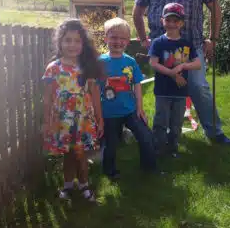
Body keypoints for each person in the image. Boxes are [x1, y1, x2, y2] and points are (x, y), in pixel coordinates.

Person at [133, 0, 230, 145]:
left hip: (192, 47)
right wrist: (144, 39)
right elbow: (137, 11)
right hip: (163, 50)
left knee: (198, 88)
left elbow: (215, 8)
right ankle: (165, 136)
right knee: (164, 93)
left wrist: (212, 39)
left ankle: (215, 133)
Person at [42, 19, 104, 201]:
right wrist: (46, 122)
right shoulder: (53, 69)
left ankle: (85, 186)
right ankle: (68, 186)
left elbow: (94, 95)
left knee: (81, 154)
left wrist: (100, 119)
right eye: (67, 40)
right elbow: (47, 98)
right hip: (62, 121)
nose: (72, 45)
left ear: (83, 44)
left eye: (77, 41)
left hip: (84, 120)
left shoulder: (87, 68)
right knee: (67, 155)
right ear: (59, 43)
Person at [99, 17, 156, 179]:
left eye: (123, 38)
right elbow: (93, 88)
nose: (118, 41)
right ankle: (110, 172)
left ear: (127, 41)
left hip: (130, 110)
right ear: (106, 38)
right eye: (113, 37)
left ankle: (150, 168)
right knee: (111, 144)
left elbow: (137, 84)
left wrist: (140, 108)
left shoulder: (130, 62)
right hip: (108, 113)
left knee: (145, 136)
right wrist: (96, 114)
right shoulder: (100, 63)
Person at [148, 3, 201, 157]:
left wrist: (183, 65)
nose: (171, 24)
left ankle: (173, 148)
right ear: (162, 21)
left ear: (181, 23)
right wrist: (172, 73)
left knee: (176, 123)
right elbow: (153, 63)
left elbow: (197, 64)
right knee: (161, 121)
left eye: (175, 20)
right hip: (163, 91)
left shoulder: (186, 43)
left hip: (180, 91)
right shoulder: (158, 42)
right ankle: (158, 148)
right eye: (168, 20)